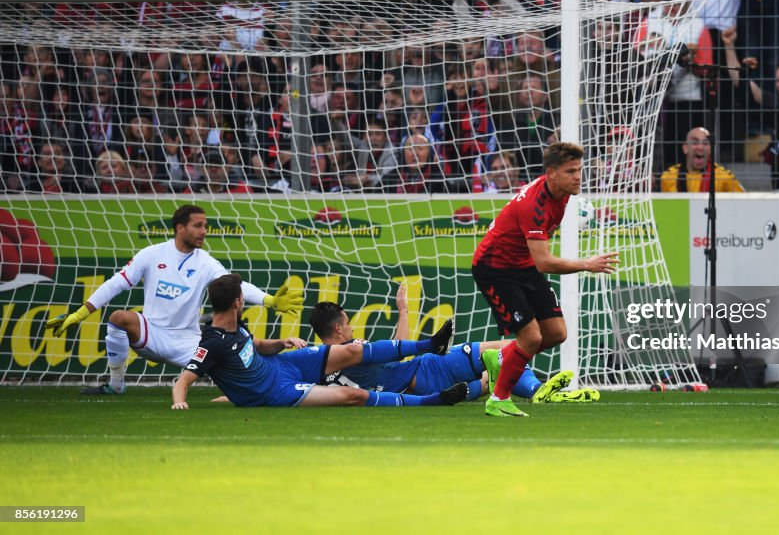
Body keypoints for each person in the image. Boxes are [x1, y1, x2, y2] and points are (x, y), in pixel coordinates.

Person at [44, 204, 305, 395]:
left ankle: (265, 388)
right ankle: (115, 384)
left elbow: (235, 285)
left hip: (187, 341)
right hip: (152, 332)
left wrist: (270, 301)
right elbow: (116, 283)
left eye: (205, 225)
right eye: (198, 225)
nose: (204, 231)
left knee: (235, 357)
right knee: (117, 318)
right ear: (180, 228)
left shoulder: (205, 262)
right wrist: (80, 313)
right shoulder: (152, 253)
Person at [472, 142, 619, 416]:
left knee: (556, 334)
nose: (578, 176)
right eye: (571, 171)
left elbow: (536, 260)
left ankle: (500, 358)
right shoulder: (534, 206)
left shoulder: (562, 193)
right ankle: (498, 400)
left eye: (579, 169)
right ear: (552, 173)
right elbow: (545, 262)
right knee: (530, 337)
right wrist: (587, 263)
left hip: (522, 265)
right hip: (496, 269)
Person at [172, 274, 466, 409]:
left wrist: (282, 341)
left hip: (282, 363)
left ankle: (431, 345)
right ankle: (432, 401)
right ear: (238, 301)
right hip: (275, 390)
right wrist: (179, 403)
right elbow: (183, 380)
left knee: (353, 349)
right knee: (351, 397)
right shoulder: (212, 341)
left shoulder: (239, 328)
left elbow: (257, 346)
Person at [310, 284, 593, 404]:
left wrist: (405, 311)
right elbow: (398, 352)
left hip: (426, 377)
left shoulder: (320, 368)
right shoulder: (353, 349)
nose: (351, 326)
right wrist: (405, 311)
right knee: (502, 359)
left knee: (496, 364)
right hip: (427, 377)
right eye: (347, 323)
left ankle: (541, 392)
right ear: (337, 328)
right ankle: (539, 391)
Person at [660, 127, 745, 193]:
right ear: (685, 148)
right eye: (695, 142)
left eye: (705, 143)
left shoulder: (723, 177)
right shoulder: (668, 178)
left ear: (710, 149)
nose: (701, 147)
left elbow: (744, 203)